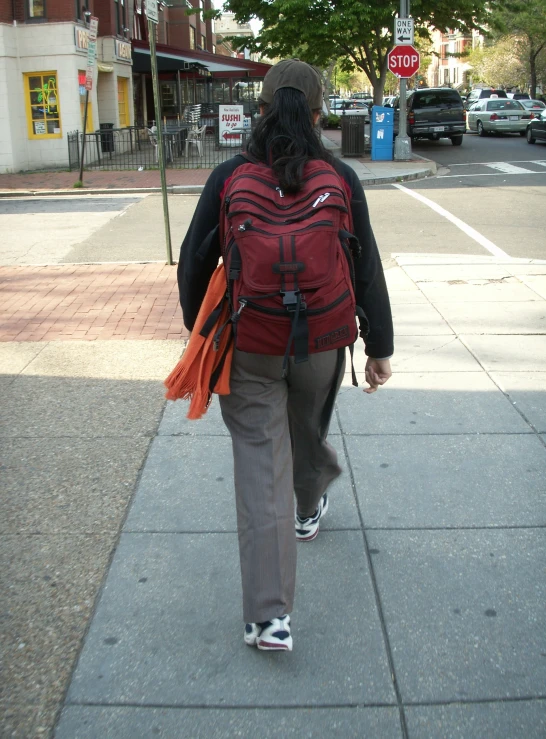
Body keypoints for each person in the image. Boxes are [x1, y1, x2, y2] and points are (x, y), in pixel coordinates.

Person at [177, 59, 393, 652]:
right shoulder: (340, 176)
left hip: (250, 340)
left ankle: (269, 617)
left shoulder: (230, 175)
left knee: (258, 460)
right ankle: (310, 497)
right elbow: (365, 265)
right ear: (320, 110)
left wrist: (200, 334)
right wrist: (380, 347)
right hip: (323, 339)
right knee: (305, 428)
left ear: (262, 107)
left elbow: (193, 262)